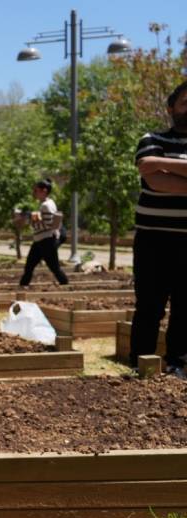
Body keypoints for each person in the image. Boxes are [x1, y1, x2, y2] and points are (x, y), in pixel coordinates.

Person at [131, 79, 187, 376]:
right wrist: (156, 166)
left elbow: (160, 173)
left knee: (184, 307)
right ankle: (140, 364)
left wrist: (164, 164)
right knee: (149, 306)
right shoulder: (151, 138)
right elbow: (151, 176)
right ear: (171, 108)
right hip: (153, 240)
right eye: (185, 103)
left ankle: (177, 363)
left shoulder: (160, 151)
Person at [18, 179, 69, 287]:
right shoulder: (48, 203)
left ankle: (66, 285)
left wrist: (31, 219)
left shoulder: (46, 205)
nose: (34, 193)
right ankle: (22, 286)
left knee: (53, 267)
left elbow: (48, 225)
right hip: (41, 240)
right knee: (30, 265)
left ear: (44, 191)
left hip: (46, 241)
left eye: (36, 190)